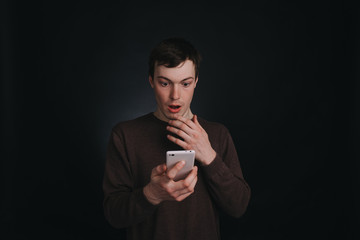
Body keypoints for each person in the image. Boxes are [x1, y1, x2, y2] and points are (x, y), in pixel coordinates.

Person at [103, 37, 251, 240]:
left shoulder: (218, 134)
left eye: (185, 83)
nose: (175, 95)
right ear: (151, 81)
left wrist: (209, 156)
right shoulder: (125, 135)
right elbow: (114, 215)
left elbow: (239, 206)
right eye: (165, 83)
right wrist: (151, 194)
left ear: (196, 82)